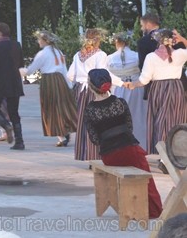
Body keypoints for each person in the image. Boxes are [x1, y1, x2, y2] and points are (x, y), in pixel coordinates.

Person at [84, 69, 162, 219]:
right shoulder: (120, 102)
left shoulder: (90, 110)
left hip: (109, 155)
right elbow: (129, 128)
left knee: (134, 162)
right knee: (146, 176)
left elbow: (95, 139)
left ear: (90, 86)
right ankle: (154, 211)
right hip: (128, 150)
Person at [130, 29, 187, 154]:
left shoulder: (151, 57)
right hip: (176, 89)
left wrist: (132, 85)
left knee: (160, 122)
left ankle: (163, 155)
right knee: (176, 120)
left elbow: (144, 80)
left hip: (158, 90)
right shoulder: (180, 54)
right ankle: (175, 153)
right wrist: (182, 39)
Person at [67, 28, 117, 161]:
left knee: (83, 124)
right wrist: (121, 83)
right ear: (98, 39)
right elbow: (102, 74)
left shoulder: (78, 55)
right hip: (95, 90)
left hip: (80, 91)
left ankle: (86, 154)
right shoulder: (100, 55)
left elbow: (70, 75)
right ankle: (97, 156)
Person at [21, 30, 77, 147]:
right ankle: (64, 130)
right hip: (60, 80)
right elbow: (63, 69)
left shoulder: (42, 54)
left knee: (51, 108)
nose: (38, 41)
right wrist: (69, 85)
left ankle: (61, 136)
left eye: (39, 39)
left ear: (44, 41)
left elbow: (30, 70)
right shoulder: (58, 52)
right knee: (62, 107)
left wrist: (19, 71)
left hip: (49, 82)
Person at [107, 32, 148, 151]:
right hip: (136, 88)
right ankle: (140, 146)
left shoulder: (110, 58)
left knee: (119, 119)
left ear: (116, 42)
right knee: (138, 117)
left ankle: (121, 146)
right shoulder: (136, 56)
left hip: (119, 89)